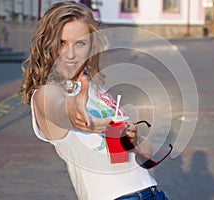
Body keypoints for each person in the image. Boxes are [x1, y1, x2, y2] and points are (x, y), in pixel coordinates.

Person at [18, 1, 169, 199]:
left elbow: (147, 152)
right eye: (61, 43)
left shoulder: (95, 88)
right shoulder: (46, 93)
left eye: (80, 43)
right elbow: (60, 110)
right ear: (47, 45)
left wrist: (133, 139)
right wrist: (74, 111)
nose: (70, 54)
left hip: (152, 191)